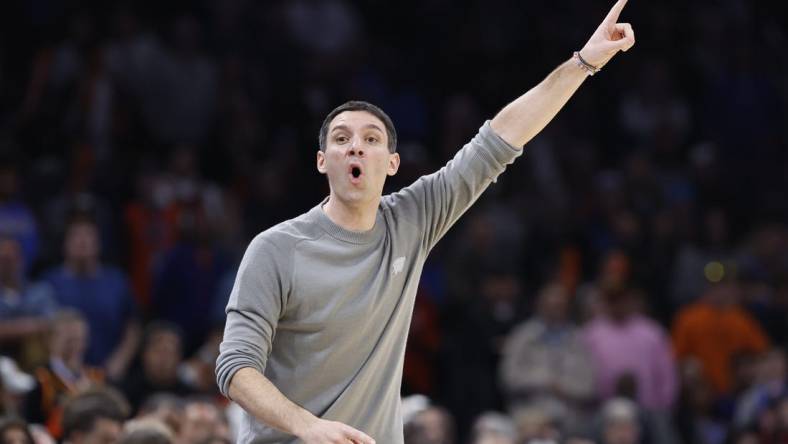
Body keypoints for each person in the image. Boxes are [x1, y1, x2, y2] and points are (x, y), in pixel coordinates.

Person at [215, 1, 635, 442]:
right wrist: (307, 426)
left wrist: (583, 62)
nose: (355, 147)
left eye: (370, 139)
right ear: (323, 161)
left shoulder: (410, 219)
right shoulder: (276, 248)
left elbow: (501, 137)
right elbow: (234, 367)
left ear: (393, 162)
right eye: (341, 139)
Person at [43, 218, 141, 380]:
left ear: (99, 243)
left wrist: (121, 360)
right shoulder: (49, 282)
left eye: (88, 235)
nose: (82, 241)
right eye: (76, 235)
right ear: (65, 244)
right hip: (63, 375)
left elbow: (132, 325)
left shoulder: (116, 280)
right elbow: (43, 327)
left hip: (108, 371)